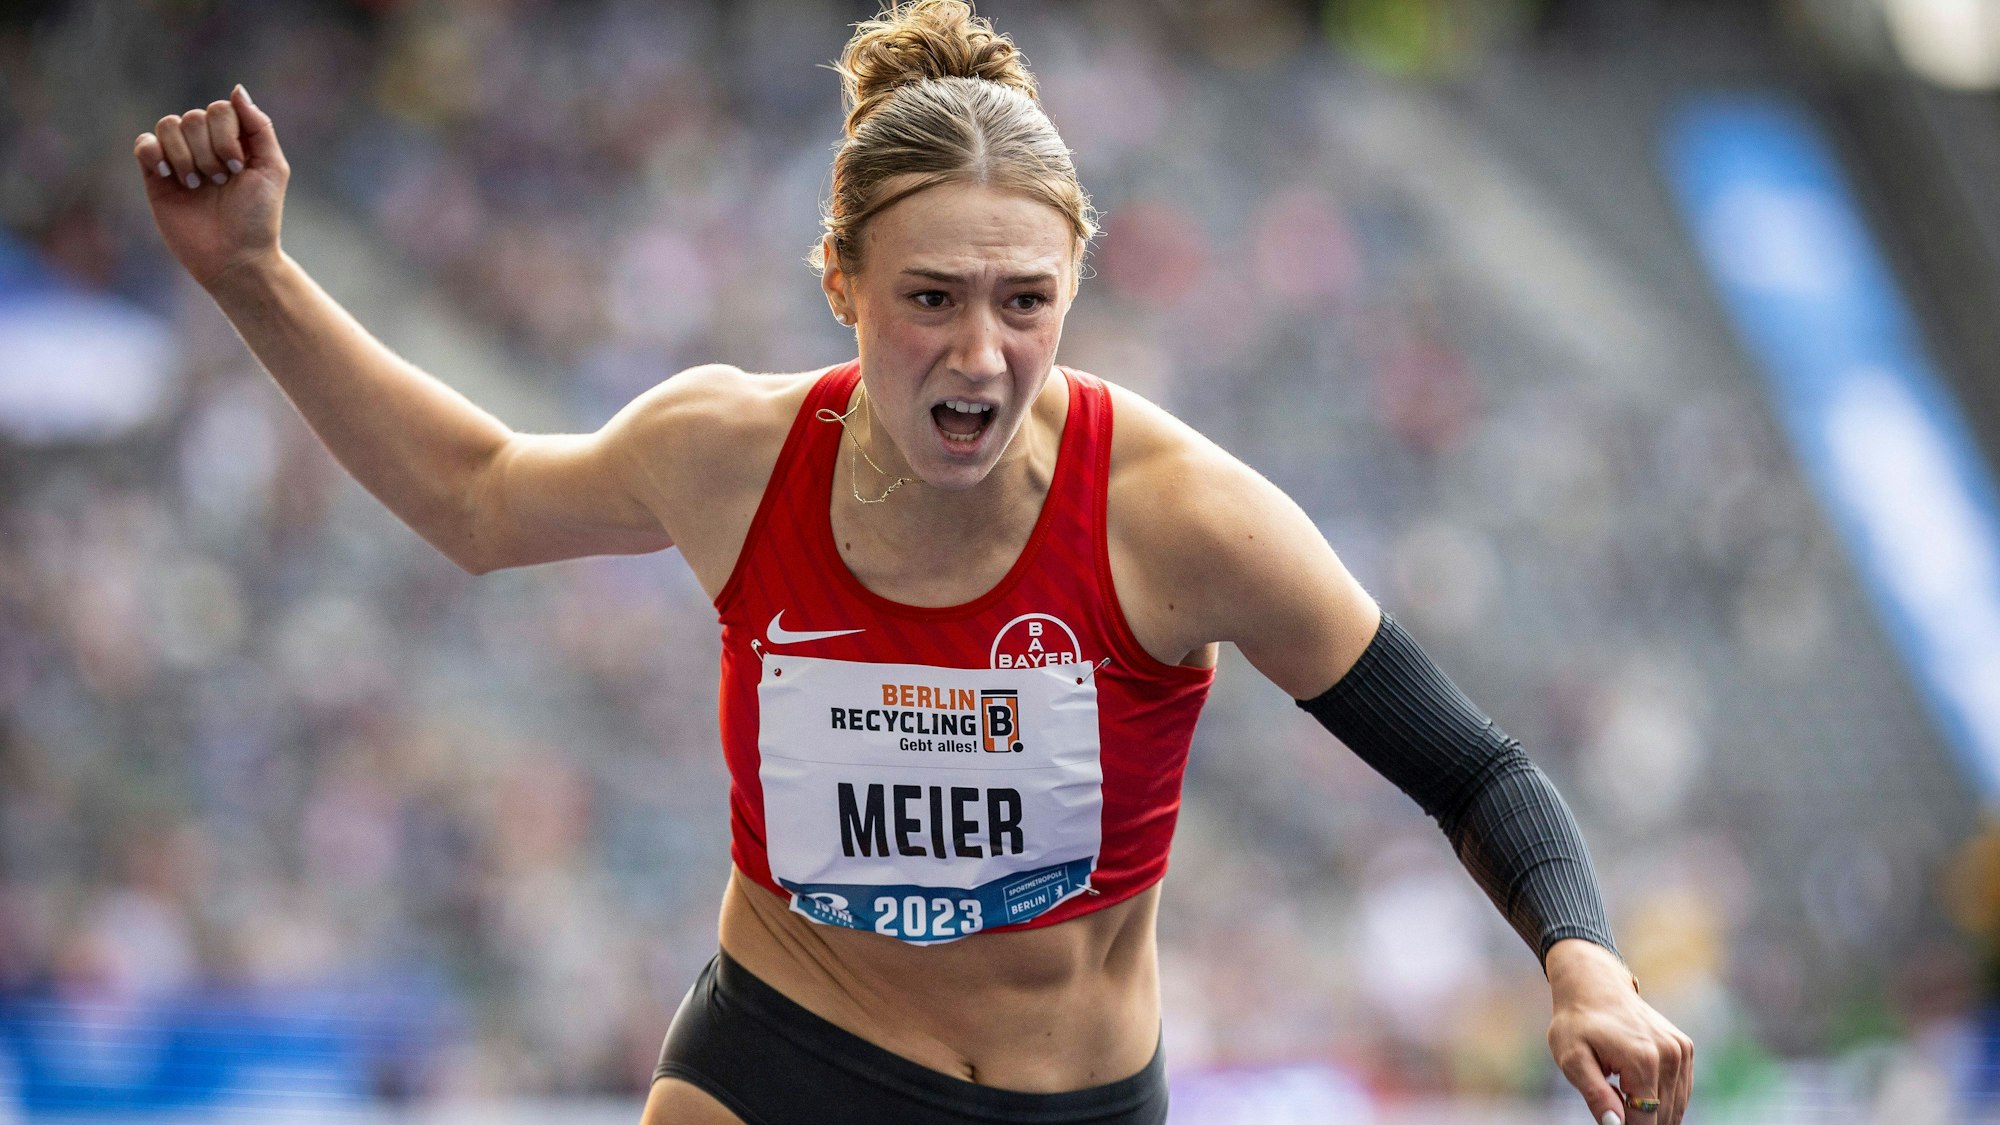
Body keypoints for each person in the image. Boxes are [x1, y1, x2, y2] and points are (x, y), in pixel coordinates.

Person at [132, 3, 1693, 1123]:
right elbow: (475, 497)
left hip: (1071, 1097)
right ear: (840, 285)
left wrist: (1586, 962)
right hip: (785, 1056)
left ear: (1079, 285)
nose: (979, 351)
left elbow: (1475, 768)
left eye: (1025, 300)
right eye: (930, 297)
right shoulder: (731, 455)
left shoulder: (1180, 516)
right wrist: (257, 273)